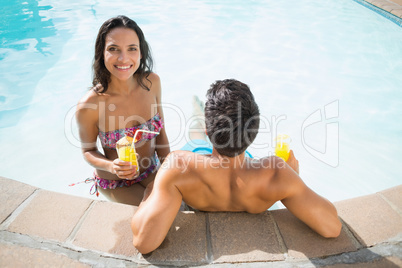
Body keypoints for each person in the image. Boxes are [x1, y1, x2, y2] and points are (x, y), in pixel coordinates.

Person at [131, 79, 342, 254]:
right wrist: (293, 177)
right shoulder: (276, 173)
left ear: (209, 129)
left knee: (195, 136)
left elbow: (143, 242)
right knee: (200, 135)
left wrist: (153, 187)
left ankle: (198, 114)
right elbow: (332, 226)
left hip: (196, 164)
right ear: (255, 130)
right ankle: (199, 115)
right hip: (245, 163)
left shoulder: (177, 166)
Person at [76, 15, 170, 206]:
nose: (123, 58)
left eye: (132, 49)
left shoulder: (152, 83)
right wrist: (111, 166)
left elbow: (161, 134)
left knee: (178, 204)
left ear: (141, 53)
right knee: (153, 211)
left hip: (151, 169)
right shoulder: (90, 105)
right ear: (102, 53)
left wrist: (169, 170)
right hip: (115, 182)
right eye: (113, 49)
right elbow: (88, 151)